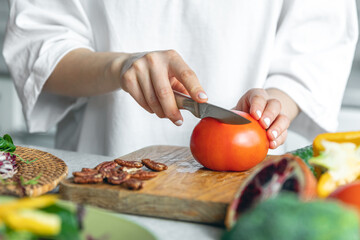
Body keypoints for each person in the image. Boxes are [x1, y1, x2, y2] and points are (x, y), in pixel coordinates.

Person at [3, 0, 358, 157]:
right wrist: (119, 67)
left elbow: (316, 47)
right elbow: (39, 47)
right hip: (99, 172)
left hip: (243, 192)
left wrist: (275, 101)